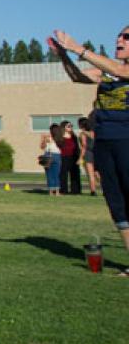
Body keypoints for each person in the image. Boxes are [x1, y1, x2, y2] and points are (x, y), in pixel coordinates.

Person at [50, 26, 129, 274]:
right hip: (105, 142)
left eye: (127, 37)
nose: (120, 39)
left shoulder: (118, 70)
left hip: (126, 140)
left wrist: (77, 48)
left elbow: (119, 71)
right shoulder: (106, 72)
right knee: (116, 202)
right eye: (119, 35)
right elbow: (77, 76)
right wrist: (64, 56)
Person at [55, 120, 82, 195]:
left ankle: (76, 191)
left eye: (71, 126)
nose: (71, 127)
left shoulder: (74, 136)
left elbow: (77, 147)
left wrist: (79, 157)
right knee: (63, 174)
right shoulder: (59, 137)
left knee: (75, 174)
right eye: (69, 126)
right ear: (64, 127)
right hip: (64, 157)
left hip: (74, 157)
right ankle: (63, 190)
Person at [79, 117, 99, 197]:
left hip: (88, 154)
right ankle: (106, 190)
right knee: (97, 173)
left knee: (90, 174)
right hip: (96, 153)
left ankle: (93, 191)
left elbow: (84, 146)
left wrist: (80, 158)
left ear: (81, 125)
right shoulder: (93, 132)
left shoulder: (83, 134)